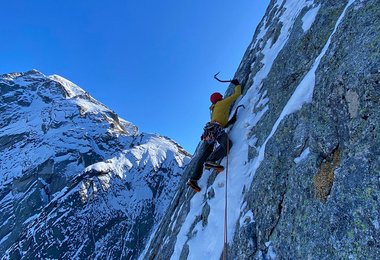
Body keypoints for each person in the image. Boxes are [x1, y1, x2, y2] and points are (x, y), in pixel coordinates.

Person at [187, 79, 242, 192]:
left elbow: (222, 121)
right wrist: (237, 85)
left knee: (203, 155)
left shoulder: (214, 109)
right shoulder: (222, 103)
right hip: (216, 130)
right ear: (220, 98)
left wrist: (230, 121)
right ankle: (211, 160)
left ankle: (193, 179)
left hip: (209, 132)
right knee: (227, 144)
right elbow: (237, 95)